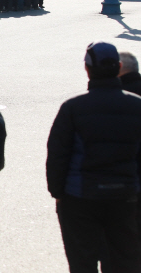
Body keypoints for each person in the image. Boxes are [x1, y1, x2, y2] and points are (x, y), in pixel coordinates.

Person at [47, 42, 141, 273]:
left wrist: (58, 193)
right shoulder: (136, 105)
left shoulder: (72, 108)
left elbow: (58, 155)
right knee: (124, 260)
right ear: (118, 67)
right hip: (125, 195)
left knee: (82, 261)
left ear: (87, 70)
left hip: (80, 195)